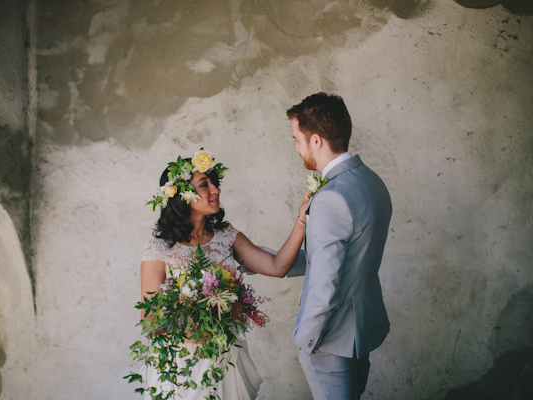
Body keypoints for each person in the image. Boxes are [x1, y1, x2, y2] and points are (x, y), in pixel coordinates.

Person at [140, 149, 310, 400]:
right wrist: (197, 334)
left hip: (224, 355)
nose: (215, 190)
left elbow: (277, 266)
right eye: (204, 185)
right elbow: (149, 320)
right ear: (182, 197)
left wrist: (301, 219)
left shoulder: (226, 235)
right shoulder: (159, 249)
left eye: (213, 183)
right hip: (182, 363)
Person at [282, 92, 393, 399]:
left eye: (297, 139)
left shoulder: (331, 197)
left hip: (331, 341)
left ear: (316, 140)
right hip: (361, 330)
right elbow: (350, 254)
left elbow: (324, 283)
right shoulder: (371, 181)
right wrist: (271, 260)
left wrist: (306, 342)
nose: (295, 147)